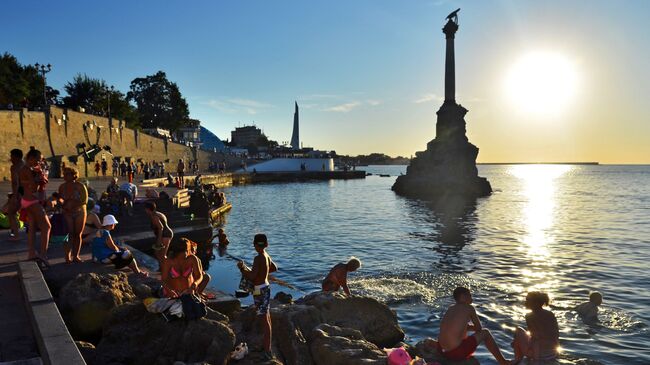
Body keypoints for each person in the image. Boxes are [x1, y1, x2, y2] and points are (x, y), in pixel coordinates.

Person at [437, 287, 510, 365]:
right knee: (485, 333)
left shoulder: (450, 308)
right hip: (456, 353)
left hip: (442, 351)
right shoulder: (469, 308)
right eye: (470, 295)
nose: (472, 298)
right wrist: (469, 327)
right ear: (463, 297)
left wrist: (466, 327)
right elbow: (479, 328)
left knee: (462, 334)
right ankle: (503, 362)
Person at [238, 233, 277, 360]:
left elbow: (253, 276)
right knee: (265, 318)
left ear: (254, 245)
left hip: (259, 290)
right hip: (264, 287)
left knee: (265, 320)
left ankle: (267, 351)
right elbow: (274, 268)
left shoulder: (257, 258)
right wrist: (263, 271)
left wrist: (242, 269)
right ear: (266, 244)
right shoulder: (266, 256)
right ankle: (266, 347)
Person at [19, 149, 51, 266]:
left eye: (40, 160)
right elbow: (34, 188)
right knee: (47, 227)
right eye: (37, 160)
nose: (39, 162)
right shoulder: (27, 170)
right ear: (30, 158)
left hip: (27, 200)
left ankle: (31, 253)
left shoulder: (25, 169)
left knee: (32, 228)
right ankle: (43, 254)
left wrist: (39, 174)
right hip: (32, 201)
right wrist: (40, 177)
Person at [512, 291, 560, 363]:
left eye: (528, 300)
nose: (525, 302)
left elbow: (536, 337)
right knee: (521, 338)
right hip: (553, 353)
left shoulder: (530, 316)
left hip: (539, 354)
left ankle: (517, 360)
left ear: (536, 303)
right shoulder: (550, 314)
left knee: (518, 331)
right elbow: (555, 334)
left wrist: (536, 359)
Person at [58, 167, 88, 263]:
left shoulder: (80, 186)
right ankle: (67, 256)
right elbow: (61, 199)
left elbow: (84, 200)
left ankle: (76, 256)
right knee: (68, 234)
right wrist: (63, 204)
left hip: (80, 212)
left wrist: (73, 204)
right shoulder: (62, 187)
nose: (65, 176)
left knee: (78, 234)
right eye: (64, 174)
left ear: (74, 175)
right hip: (67, 212)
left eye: (67, 174)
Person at [5, 149, 24, 241]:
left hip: (19, 192)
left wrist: (14, 196)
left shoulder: (15, 167)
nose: (11, 158)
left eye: (12, 156)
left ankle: (16, 235)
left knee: (11, 213)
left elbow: (15, 183)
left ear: (16, 157)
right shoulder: (25, 165)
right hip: (28, 192)